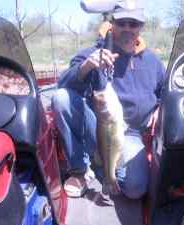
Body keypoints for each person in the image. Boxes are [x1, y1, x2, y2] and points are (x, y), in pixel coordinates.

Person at [52, 1, 166, 199]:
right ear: (112, 23)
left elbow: (164, 91)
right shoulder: (94, 53)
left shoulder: (152, 60)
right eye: (122, 23)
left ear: (141, 27)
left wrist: (160, 109)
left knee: (135, 188)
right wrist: (86, 66)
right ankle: (79, 171)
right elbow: (63, 82)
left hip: (130, 133)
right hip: (97, 125)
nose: (127, 28)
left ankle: (103, 167)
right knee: (61, 98)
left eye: (133, 24)